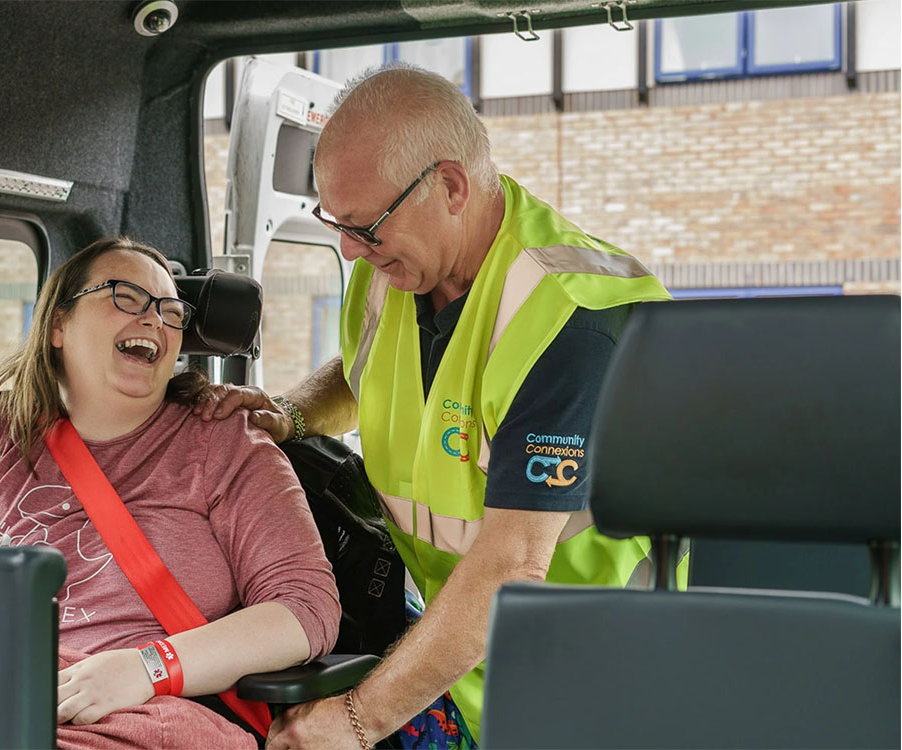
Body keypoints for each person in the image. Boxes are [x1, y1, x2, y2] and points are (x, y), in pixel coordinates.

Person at [195, 67, 674, 749]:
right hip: (457, 662)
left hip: (598, 676)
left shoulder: (571, 319)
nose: (348, 250)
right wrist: (292, 415)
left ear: (449, 186)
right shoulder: (389, 271)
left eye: (364, 226)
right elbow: (368, 372)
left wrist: (357, 720)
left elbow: (512, 562)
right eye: (335, 223)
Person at [0, 237, 341, 749]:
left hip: (139, 714)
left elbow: (305, 609)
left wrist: (147, 667)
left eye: (171, 310)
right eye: (125, 296)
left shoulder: (224, 443)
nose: (155, 319)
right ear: (58, 324)